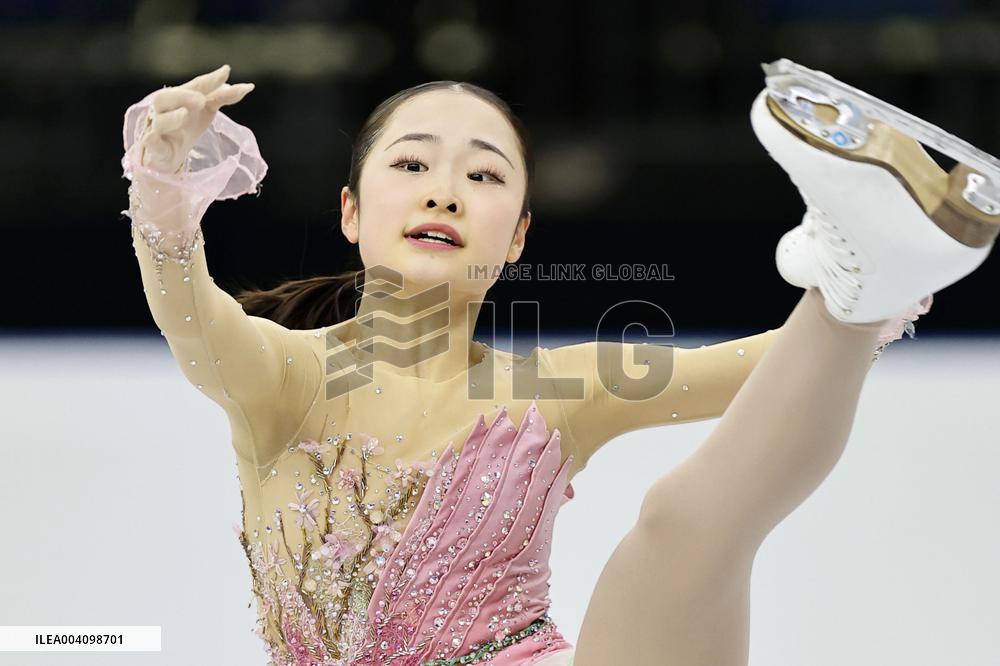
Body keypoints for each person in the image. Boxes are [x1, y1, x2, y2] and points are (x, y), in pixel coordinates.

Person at [120, 64, 987, 665]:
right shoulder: (287, 380)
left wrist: (854, 307)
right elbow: (192, 315)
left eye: (484, 177)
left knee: (683, 516)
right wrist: (161, 189)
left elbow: (766, 373)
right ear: (350, 212)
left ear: (518, 236)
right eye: (412, 163)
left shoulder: (558, 390)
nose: (444, 191)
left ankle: (864, 279)